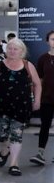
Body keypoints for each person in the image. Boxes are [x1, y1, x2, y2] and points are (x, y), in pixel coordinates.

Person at [0, 38, 41, 176]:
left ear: (22, 51)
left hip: (21, 106)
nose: (12, 51)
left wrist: (37, 100)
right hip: (1, 105)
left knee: (17, 134)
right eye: (9, 48)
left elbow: (37, 84)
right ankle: (5, 150)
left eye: (15, 49)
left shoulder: (28, 65)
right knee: (1, 133)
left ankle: (14, 164)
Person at [33, 30, 54, 165]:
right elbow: (39, 81)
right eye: (52, 39)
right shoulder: (42, 59)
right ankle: (40, 153)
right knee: (45, 125)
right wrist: (37, 98)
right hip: (47, 98)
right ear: (48, 41)